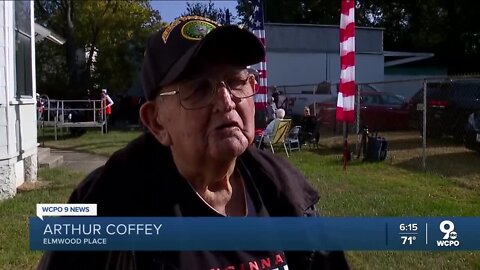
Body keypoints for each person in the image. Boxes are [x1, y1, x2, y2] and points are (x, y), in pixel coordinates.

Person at [37, 16, 349, 270]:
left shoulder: (285, 193)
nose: (226, 101)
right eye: (199, 89)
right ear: (157, 121)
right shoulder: (106, 204)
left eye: (238, 82)